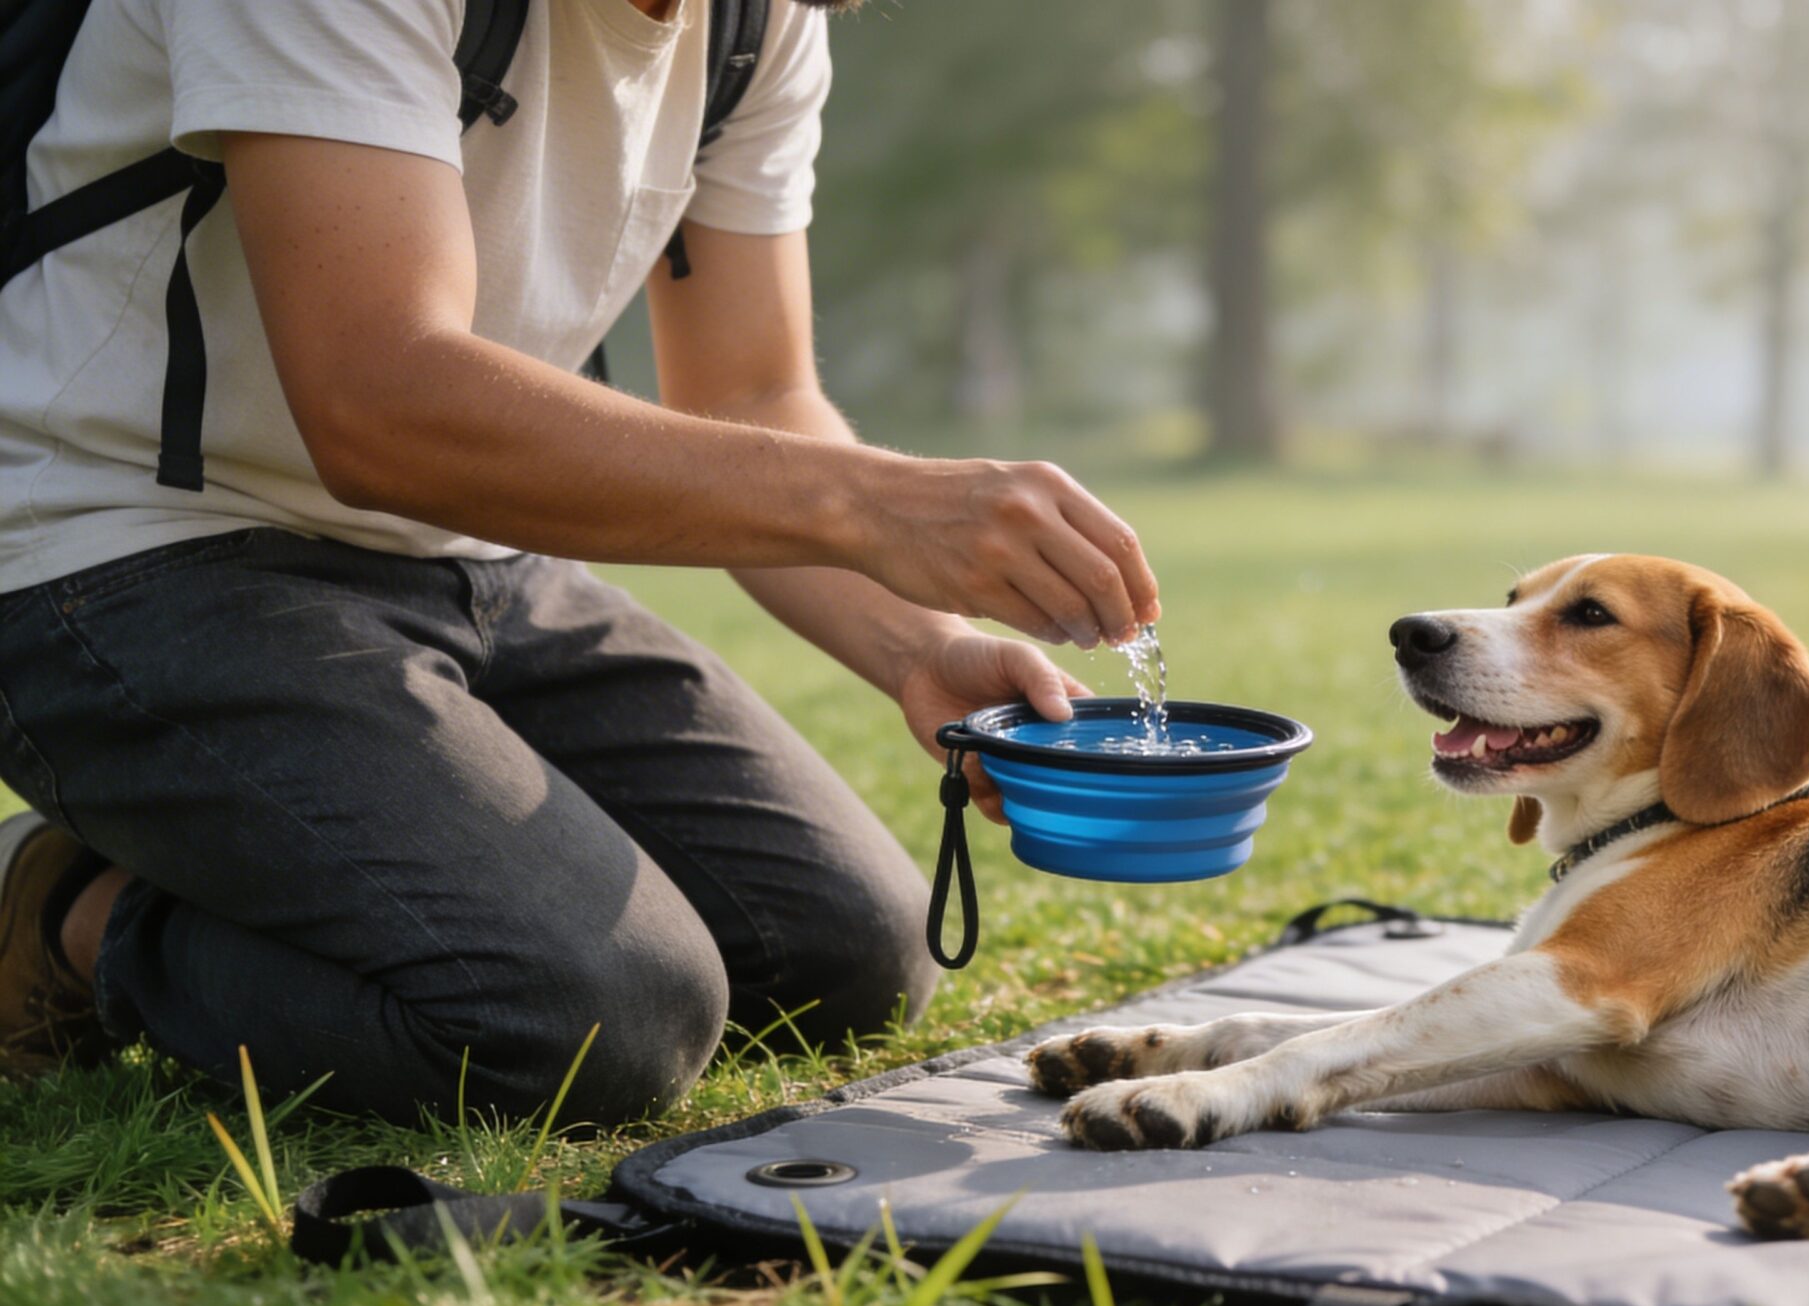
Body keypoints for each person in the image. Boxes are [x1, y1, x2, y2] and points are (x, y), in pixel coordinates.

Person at [0, 0, 1157, 1124]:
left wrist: (923, 642)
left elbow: (752, 390)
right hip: (124, 547)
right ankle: (65, 911)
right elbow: (378, 399)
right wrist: (877, 499)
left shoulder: (755, 23)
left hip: (474, 552)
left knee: (841, 955)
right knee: (588, 1021)